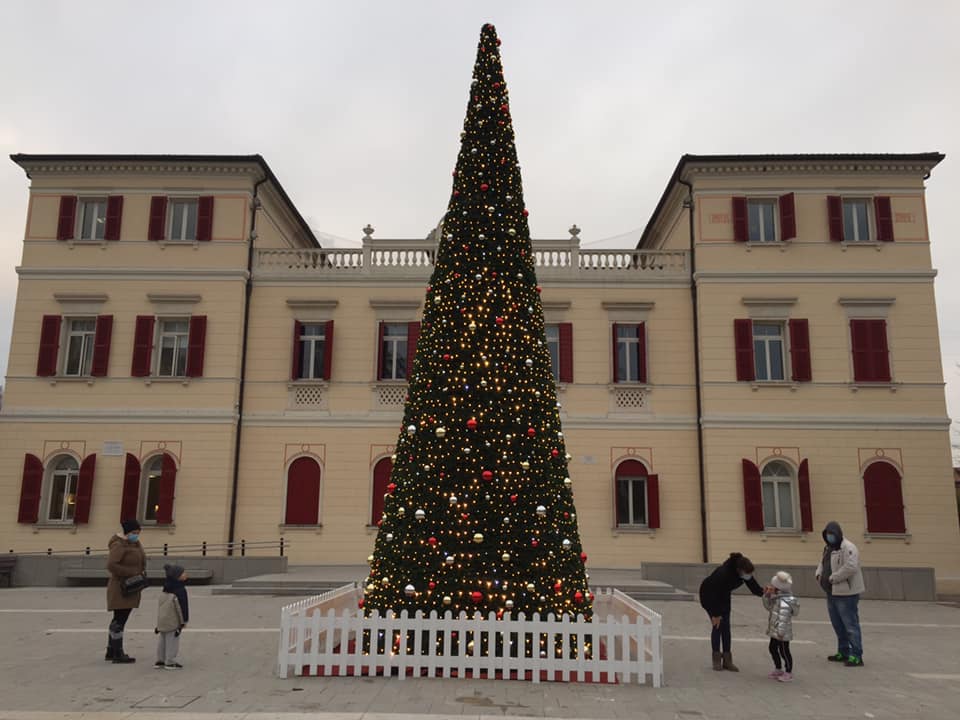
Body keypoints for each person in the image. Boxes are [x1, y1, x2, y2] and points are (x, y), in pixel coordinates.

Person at [699, 552, 764, 671]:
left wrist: (765, 593)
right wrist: (715, 614)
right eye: (747, 573)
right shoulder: (723, 573)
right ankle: (716, 660)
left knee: (726, 628)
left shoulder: (744, 571)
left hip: (724, 597)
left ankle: (727, 660)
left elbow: (754, 587)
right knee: (717, 626)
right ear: (739, 570)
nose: (748, 576)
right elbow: (714, 594)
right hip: (709, 597)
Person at [816, 520, 866, 667]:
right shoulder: (828, 548)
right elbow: (822, 563)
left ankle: (856, 655)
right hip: (831, 592)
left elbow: (851, 567)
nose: (830, 537)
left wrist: (834, 577)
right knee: (837, 624)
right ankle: (843, 651)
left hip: (846, 593)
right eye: (827, 534)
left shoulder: (848, 548)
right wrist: (818, 574)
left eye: (832, 534)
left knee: (850, 624)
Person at [105, 519, 147, 664]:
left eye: (138, 533)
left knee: (119, 619)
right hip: (120, 587)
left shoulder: (134, 543)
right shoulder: (119, 545)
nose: (137, 535)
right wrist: (131, 572)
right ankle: (117, 652)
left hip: (130, 586)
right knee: (120, 620)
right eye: (134, 533)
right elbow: (111, 565)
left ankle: (111, 649)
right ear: (126, 532)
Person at [763, 570, 800, 682]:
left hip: (781, 633)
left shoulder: (785, 601)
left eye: (773, 586)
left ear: (779, 589)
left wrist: (780, 633)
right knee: (772, 648)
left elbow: (783, 619)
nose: (771, 587)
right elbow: (768, 607)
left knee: (784, 651)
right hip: (775, 631)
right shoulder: (776, 598)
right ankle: (778, 668)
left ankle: (788, 671)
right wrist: (766, 596)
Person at [155, 564, 189, 669]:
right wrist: (184, 620)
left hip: (163, 619)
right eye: (183, 573)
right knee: (172, 641)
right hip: (173, 620)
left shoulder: (165, 588)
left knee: (163, 639)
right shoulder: (180, 590)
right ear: (177, 576)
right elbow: (182, 606)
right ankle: (170, 661)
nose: (186, 574)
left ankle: (160, 660)